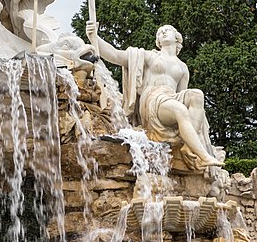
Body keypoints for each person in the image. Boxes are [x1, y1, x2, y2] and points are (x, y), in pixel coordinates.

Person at [85, 20, 223, 170]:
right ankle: (203, 156)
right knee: (180, 110)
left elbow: (182, 94)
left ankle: (189, 147)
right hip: (153, 98)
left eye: (166, 30)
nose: (162, 32)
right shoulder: (150, 56)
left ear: (177, 37)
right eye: (159, 32)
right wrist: (95, 37)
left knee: (197, 95)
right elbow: (116, 56)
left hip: (170, 99)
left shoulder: (183, 68)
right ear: (158, 41)